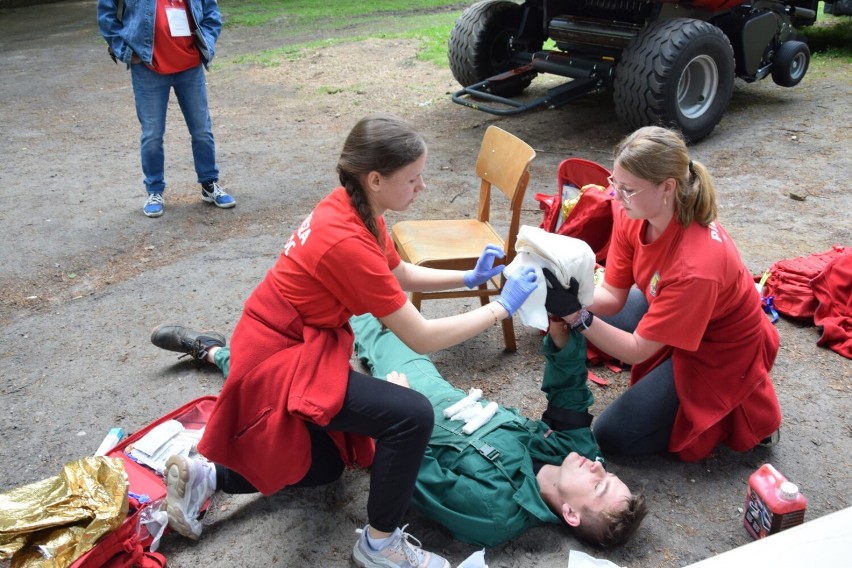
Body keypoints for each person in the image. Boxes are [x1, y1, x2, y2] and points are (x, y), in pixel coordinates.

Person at [153, 114, 538, 568]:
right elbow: (421, 335)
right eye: (413, 179)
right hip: (279, 356)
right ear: (375, 178)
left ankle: (208, 474)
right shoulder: (346, 240)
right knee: (412, 416)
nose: (423, 187)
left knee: (326, 464)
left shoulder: (354, 206)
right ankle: (379, 545)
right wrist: (500, 309)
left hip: (289, 338)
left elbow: (398, 273)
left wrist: (470, 277)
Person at [151, 314, 647, 549]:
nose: (599, 467)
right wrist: (562, 338)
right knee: (380, 322)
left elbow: (415, 475)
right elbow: (569, 396)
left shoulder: (498, 512)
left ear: (571, 515)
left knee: (297, 390)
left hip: (396, 426)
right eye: (608, 473)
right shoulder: (572, 453)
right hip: (433, 391)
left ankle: (213, 352)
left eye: (600, 485)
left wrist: (392, 404)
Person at [543, 126, 782, 462]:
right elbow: (612, 294)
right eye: (615, 183)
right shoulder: (636, 212)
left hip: (718, 347)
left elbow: (637, 350)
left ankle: (745, 404)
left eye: (627, 189)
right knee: (597, 318)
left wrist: (575, 314)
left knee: (613, 439)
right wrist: (573, 290)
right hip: (670, 307)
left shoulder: (696, 267)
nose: (616, 195)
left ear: (667, 187)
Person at [97, 0, 236, 217]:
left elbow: (211, 14)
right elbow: (106, 15)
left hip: (190, 67)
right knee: (152, 134)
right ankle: (154, 191)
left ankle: (209, 184)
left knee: (201, 130)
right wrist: (125, 51)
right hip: (147, 67)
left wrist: (204, 44)